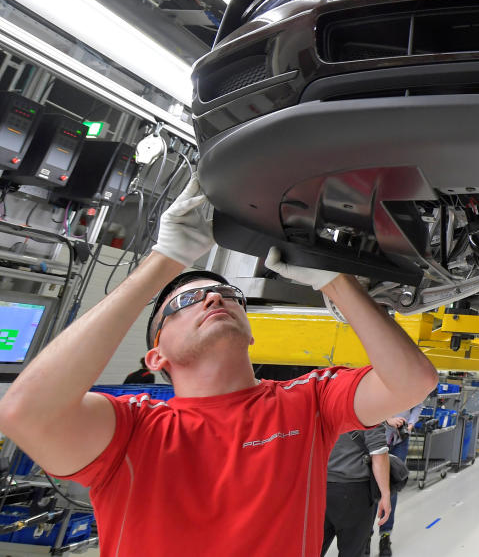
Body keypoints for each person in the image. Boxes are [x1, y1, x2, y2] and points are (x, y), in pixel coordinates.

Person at [0, 176, 440, 557]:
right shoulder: (131, 429)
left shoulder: (308, 401)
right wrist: (165, 260)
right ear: (156, 357)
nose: (213, 297)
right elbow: (26, 412)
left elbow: (412, 382)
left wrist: (333, 278)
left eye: (230, 296)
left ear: (250, 332)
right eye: (185, 302)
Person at [323, 425, 391, 557]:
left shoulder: (317, 405)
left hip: (316, 488)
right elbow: (378, 454)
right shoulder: (370, 406)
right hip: (354, 491)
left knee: (311, 548)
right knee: (352, 550)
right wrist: (385, 494)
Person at [377, 408, 419, 556]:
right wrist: (387, 417)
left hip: (400, 440)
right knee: (370, 486)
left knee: (392, 486)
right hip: (378, 435)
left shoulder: (414, 386)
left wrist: (411, 424)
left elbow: (418, 405)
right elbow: (372, 402)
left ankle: (385, 535)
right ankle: (365, 537)